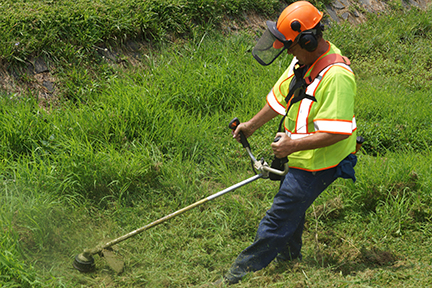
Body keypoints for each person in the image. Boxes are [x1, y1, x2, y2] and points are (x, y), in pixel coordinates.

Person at [219, 1, 358, 285]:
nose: (287, 52)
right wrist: (250, 126)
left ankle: (239, 275)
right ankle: (289, 258)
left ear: (308, 40)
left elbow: (338, 132)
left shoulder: (337, 76)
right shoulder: (301, 61)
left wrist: (292, 145)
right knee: (293, 207)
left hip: (320, 162)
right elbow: (281, 98)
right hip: (300, 156)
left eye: (290, 46)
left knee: (278, 217)